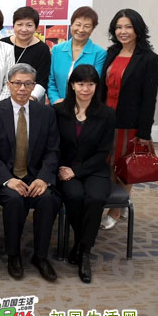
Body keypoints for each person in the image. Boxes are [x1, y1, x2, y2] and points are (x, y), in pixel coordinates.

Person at [0, 63, 62, 282]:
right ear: (8, 85)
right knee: (15, 200)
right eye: (17, 83)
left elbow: (53, 150)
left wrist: (43, 179)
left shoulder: (46, 113)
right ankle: (13, 255)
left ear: (34, 86)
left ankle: (40, 256)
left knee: (48, 199)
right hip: (4, 177)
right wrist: (8, 180)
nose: (22, 89)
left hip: (35, 175)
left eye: (28, 84)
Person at [100, 9, 158, 229]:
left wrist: (144, 132)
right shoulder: (112, 52)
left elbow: (149, 98)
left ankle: (115, 211)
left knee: (124, 166)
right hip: (106, 118)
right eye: (118, 27)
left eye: (128, 27)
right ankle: (121, 200)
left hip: (130, 123)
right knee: (107, 164)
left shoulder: (149, 59)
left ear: (138, 29)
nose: (122, 31)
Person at [54, 65, 115, 283]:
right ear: (72, 85)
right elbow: (53, 145)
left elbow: (103, 152)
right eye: (80, 84)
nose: (85, 89)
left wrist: (77, 171)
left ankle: (83, 251)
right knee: (75, 196)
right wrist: (62, 168)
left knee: (96, 198)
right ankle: (84, 245)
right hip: (65, 169)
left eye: (90, 84)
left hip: (94, 169)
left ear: (96, 86)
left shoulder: (107, 114)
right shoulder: (59, 111)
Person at [47, 7, 107, 105]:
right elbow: (51, 81)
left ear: (92, 29)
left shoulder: (99, 53)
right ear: (71, 25)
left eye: (87, 26)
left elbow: (95, 83)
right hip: (58, 106)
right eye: (78, 24)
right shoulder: (57, 50)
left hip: (86, 107)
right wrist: (56, 100)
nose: (81, 29)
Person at [0, 6, 51, 103]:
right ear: (13, 25)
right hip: (2, 98)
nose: (24, 29)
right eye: (19, 24)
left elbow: (42, 80)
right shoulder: (3, 43)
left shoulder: (42, 49)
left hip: (30, 98)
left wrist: (30, 99)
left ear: (36, 27)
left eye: (29, 25)